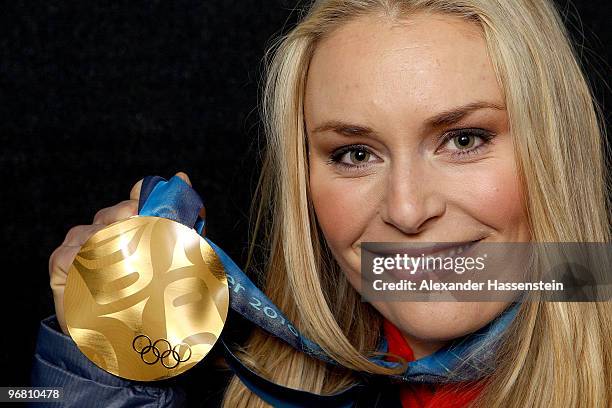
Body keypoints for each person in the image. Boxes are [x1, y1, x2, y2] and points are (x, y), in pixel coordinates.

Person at [32, 0, 611, 407]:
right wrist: (105, 370)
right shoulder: (266, 389)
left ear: (553, 153)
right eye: (356, 154)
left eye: (464, 140)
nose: (407, 212)